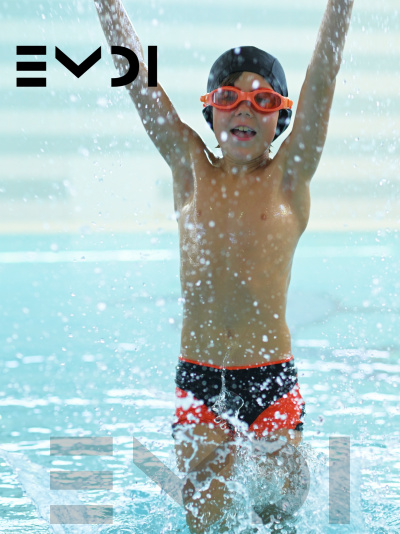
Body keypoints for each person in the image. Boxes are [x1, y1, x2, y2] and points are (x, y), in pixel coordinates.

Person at [94, 1, 355, 531]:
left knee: (281, 507)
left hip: (270, 379)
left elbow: (323, 77)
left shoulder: (289, 178)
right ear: (209, 111)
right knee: (206, 518)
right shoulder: (190, 168)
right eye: (229, 98)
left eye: (263, 101)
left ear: (283, 117)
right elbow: (141, 86)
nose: (244, 111)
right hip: (200, 379)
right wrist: (107, 8)